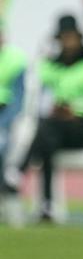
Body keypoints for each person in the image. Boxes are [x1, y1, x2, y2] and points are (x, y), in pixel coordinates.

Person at [18, 15, 83, 220]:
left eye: (71, 37)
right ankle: (46, 204)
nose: (68, 43)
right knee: (47, 134)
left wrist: (78, 116)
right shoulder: (51, 68)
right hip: (59, 132)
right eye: (64, 38)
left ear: (80, 38)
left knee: (47, 130)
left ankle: (20, 173)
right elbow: (40, 105)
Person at [0, 31, 27, 189]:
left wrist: (3, 122)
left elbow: (18, 100)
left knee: (2, 141)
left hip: (5, 116)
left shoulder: (16, 60)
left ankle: (6, 184)